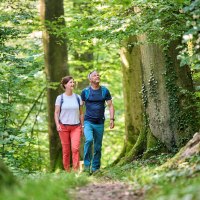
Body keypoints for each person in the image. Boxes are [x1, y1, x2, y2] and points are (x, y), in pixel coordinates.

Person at [81, 70, 115, 174]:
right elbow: (80, 108)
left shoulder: (104, 91)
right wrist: (81, 124)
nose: (97, 76)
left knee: (98, 147)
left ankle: (95, 168)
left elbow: (110, 105)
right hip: (88, 122)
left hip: (100, 122)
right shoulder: (85, 92)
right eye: (95, 75)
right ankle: (86, 167)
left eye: (98, 75)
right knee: (89, 140)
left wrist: (112, 119)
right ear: (90, 79)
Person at [54, 76, 84, 172]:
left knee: (75, 149)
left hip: (76, 127)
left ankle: (75, 171)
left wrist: (82, 126)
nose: (73, 84)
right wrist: (57, 124)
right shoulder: (60, 98)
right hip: (63, 127)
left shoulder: (77, 97)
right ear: (65, 85)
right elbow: (56, 112)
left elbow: (81, 113)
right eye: (70, 82)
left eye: (73, 82)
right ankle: (67, 171)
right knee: (66, 150)